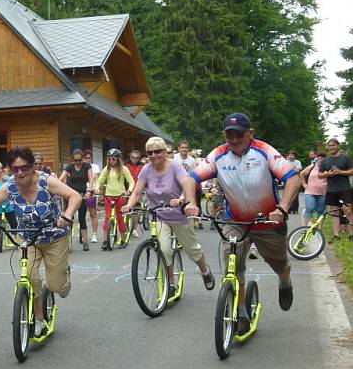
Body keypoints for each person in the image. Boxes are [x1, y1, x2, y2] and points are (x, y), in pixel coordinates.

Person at [186, 113, 299, 334]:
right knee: (233, 266)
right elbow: (191, 178)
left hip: (268, 221)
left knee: (279, 263)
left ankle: (285, 281)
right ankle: (242, 314)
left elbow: (293, 178)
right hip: (235, 221)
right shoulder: (218, 155)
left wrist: (282, 208)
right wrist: (191, 203)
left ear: (250, 133)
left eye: (239, 133)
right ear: (224, 135)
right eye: (229, 134)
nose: (234, 138)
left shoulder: (264, 151)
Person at [0, 146, 81, 337]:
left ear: (32, 166)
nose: (20, 172)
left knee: (56, 286)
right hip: (27, 238)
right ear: (10, 170)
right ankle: (39, 320)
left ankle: (62, 275)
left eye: (24, 167)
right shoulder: (10, 187)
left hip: (54, 236)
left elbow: (75, 196)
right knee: (30, 278)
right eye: (15, 169)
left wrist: (67, 214)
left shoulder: (46, 182)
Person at [123, 137, 214, 294]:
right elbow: (137, 191)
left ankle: (205, 271)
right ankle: (171, 284)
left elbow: (187, 184)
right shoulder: (146, 169)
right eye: (150, 152)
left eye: (157, 151)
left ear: (165, 152)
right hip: (158, 215)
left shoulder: (175, 166)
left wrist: (187, 202)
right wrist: (129, 205)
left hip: (178, 215)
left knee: (192, 250)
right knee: (164, 250)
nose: (153, 155)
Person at [318, 138, 353, 242]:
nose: (331, 147)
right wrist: (328, 174)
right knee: (335, 213)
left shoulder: (346, 158)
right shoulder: (325, 160)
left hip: (344, 188)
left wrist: (340, 172)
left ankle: (351, 234)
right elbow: (319, 175)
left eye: (333, 145)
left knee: (348, 211)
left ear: (338, 146)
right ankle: (336, 235)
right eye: (329, 146)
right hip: (331, 189)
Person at [96, 149, 135, 250]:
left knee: (120, 218)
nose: (111, 161)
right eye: (109, 159)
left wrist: (129, 191)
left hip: (120, 197)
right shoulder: (106, 169)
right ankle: (105, 241)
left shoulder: (123, 169)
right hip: (108, 196)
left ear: (118, 159)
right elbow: (99, 181)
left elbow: (131, 182)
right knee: (107, 218)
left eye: (113, 159)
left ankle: (123, 239)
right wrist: (96, 188)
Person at [59, 149, 93, 250]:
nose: (78, 162)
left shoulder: (87, 166)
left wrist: (89, 191)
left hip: (82, 194)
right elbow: (60, 180)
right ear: (73, 160)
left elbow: (91, 179)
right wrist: (61, 190)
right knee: (69, 218)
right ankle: (68, 242)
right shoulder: (69, 167)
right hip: (71, 194)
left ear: (82, 159)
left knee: (82, 218)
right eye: (75, 160)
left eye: (79, 160)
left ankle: (85, 242)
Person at [300, 152, 327, 226]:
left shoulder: (328, 168)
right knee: (310, 208)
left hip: (323, 193)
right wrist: (304, 184)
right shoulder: (311, 167)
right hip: (310, 192)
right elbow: (302, 174)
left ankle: (319, 228)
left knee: (321, 211)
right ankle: (305, 227)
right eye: (319, 158)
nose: (320, 160)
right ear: (317, 159)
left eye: (322, 158)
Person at [83, 151, 101, 244]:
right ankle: (81, 232)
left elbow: (96, 179)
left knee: (92, 213)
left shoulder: (95, 167)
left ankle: (94, 234)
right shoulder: (80, 166)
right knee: (81, 213)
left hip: (92, 191)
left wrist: (96, 188)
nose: (88, 159)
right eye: (86, 157)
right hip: (82, 191)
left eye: (89, 157)